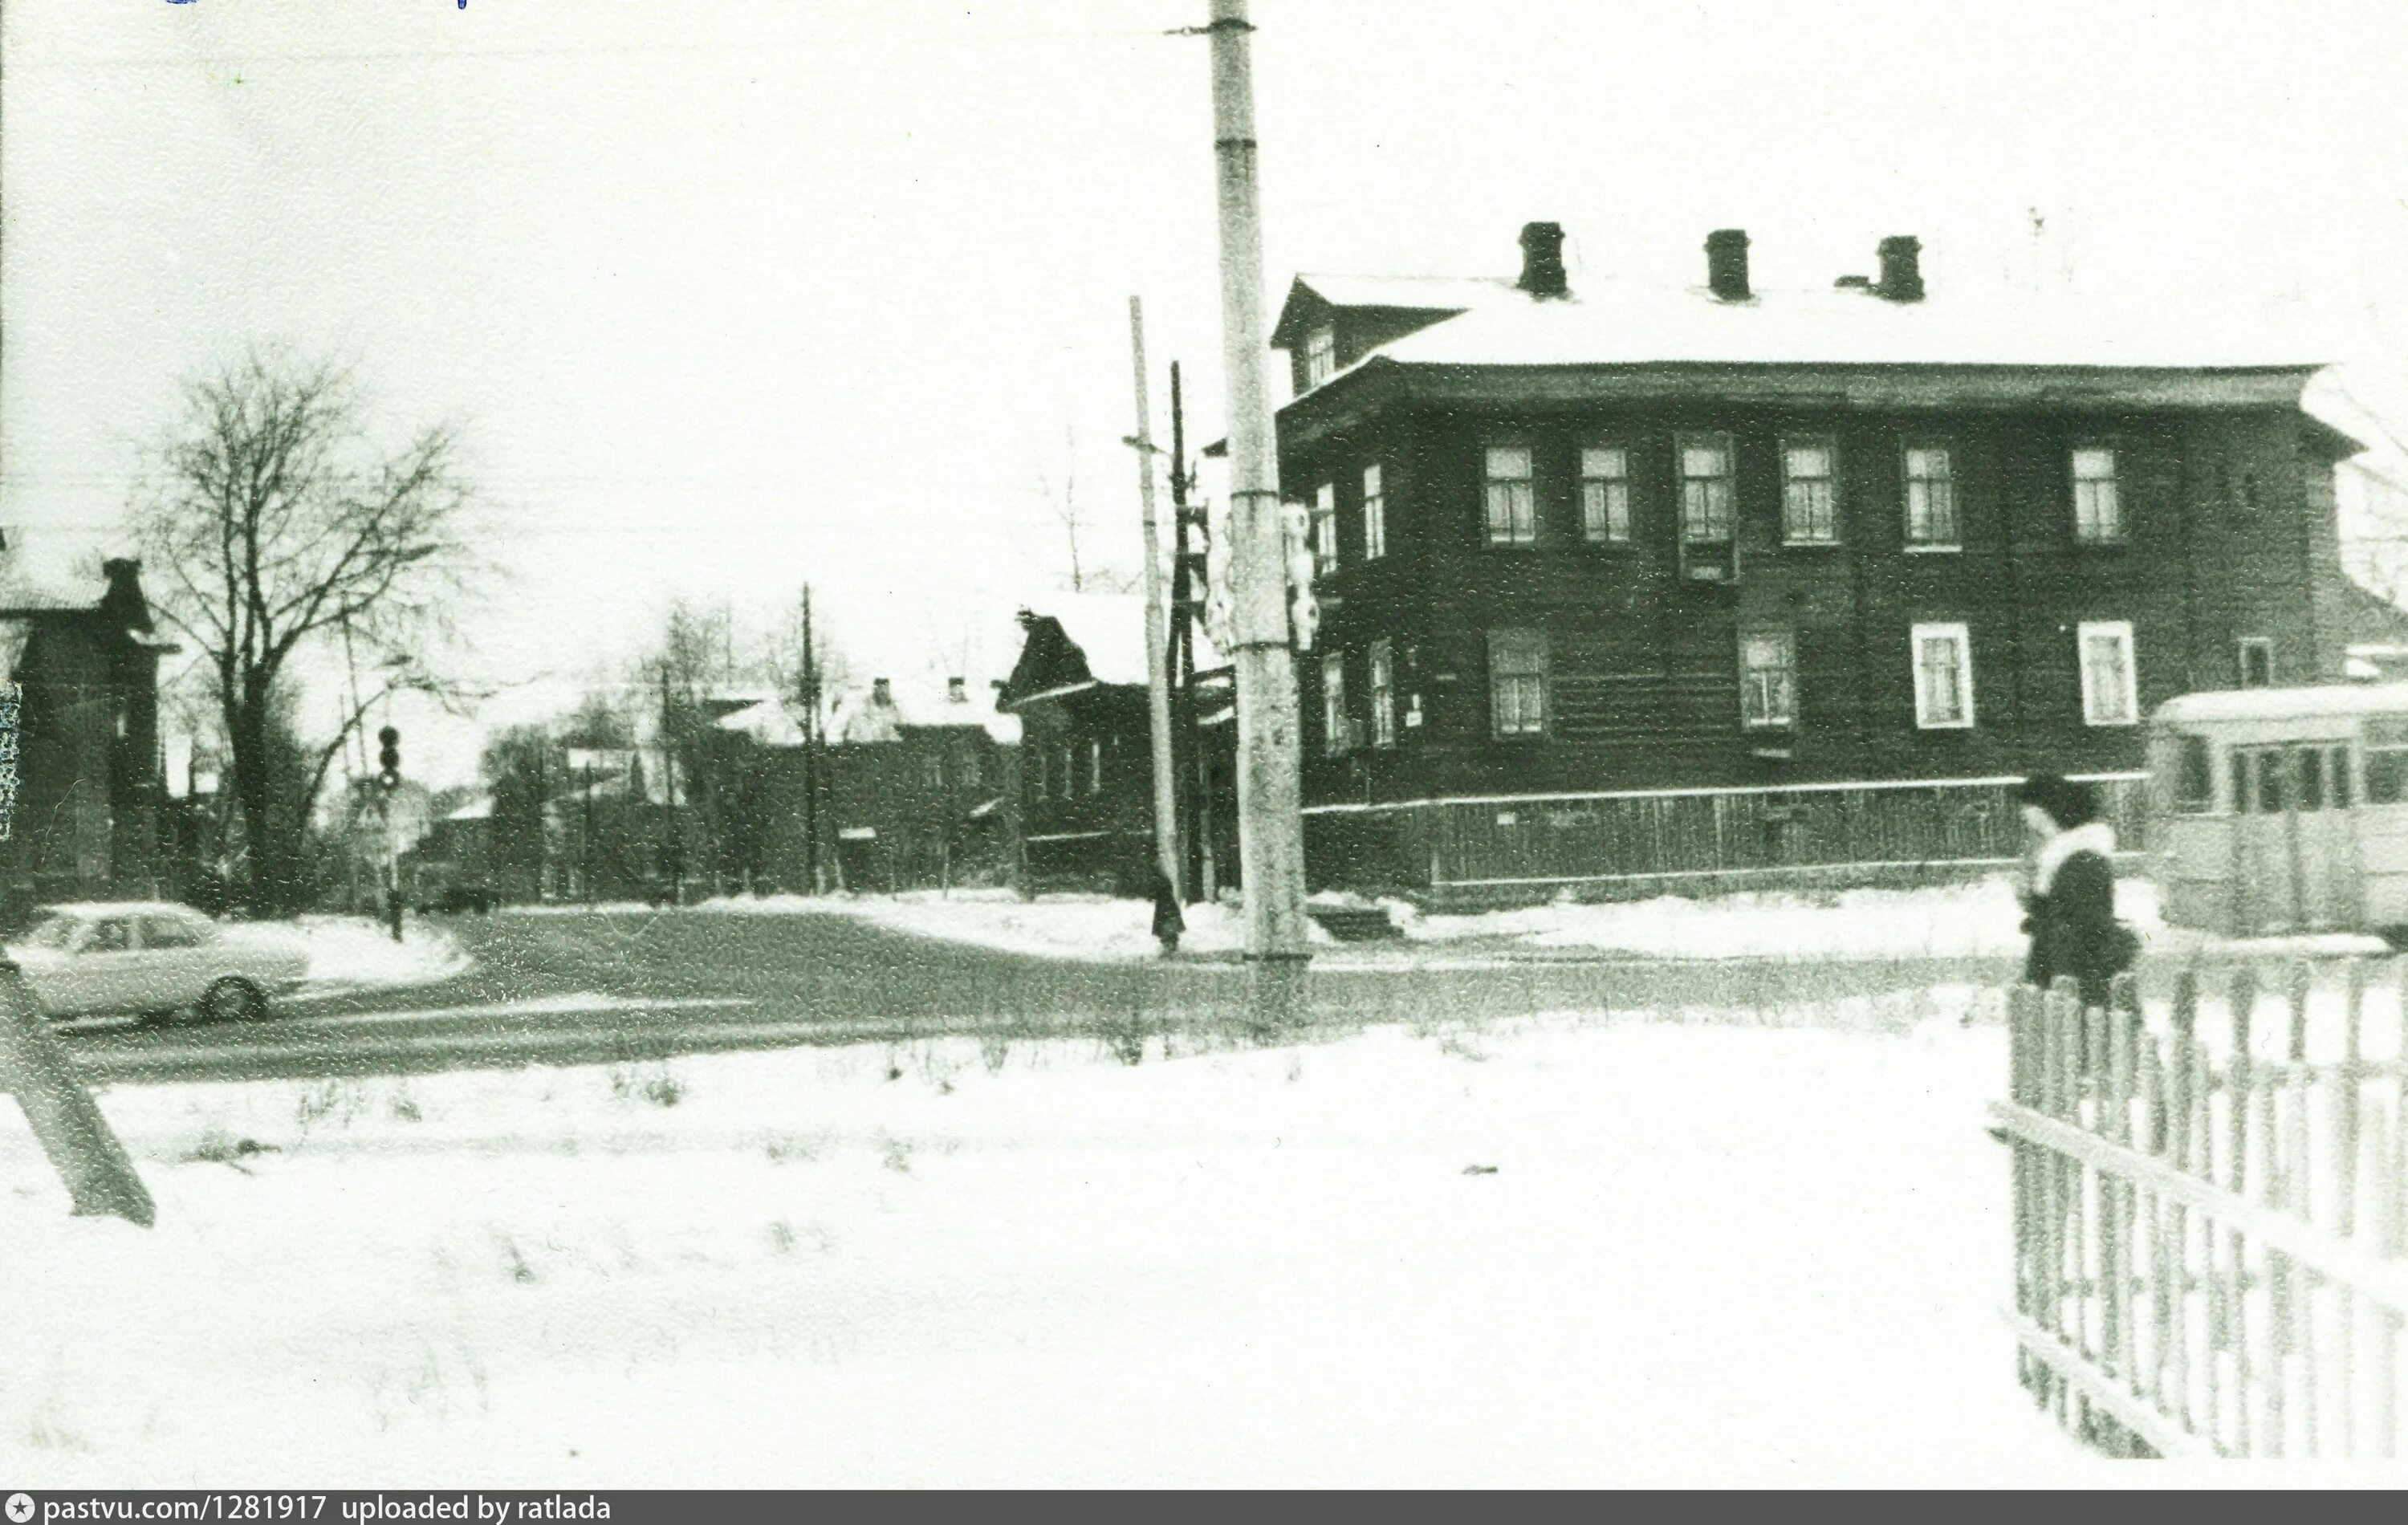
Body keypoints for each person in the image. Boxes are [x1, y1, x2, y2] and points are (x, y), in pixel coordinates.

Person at [2016, 772, 2137, 1009]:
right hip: (2068, 975)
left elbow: (2079, 926)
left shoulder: (2080, 859)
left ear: (2042, 810)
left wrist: (2038, 909)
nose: (2024, 817)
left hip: (2076, 980)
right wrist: (2034, 903)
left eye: (2027, 809)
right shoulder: (2064, 857)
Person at [1149, 864, 1185, 957]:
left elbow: (1153, 894)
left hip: (1164, 907)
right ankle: (1171, 948)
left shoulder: (1159, 881)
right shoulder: (1164, 880)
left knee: (1166, 927)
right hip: (1168, 905)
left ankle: (1169, 948)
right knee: (1169, 927)